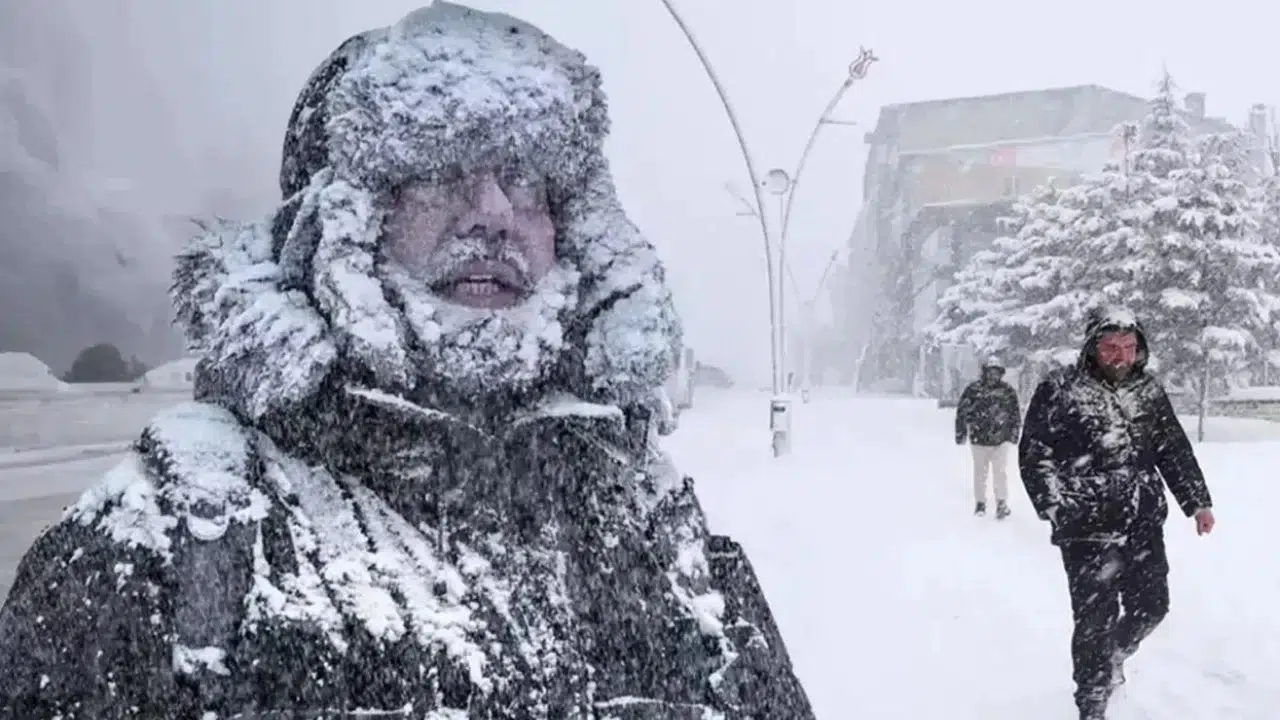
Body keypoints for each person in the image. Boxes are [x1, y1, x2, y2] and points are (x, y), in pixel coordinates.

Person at [0, 5, 815, 718]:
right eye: (437, 170)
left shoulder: (646, 514)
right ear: (337, 223)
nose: (493, 212)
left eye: (524, 177)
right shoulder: (176, 541)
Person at [1018, 306, 1215, 720]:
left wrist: (1197, 501)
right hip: (1086, 524)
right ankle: (1092, 701)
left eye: (1128, 347)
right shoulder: (1061, 388)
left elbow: (1172, 448)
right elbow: (1035, 453)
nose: (1120, 355)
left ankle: (1114, 654)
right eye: (1110, 347)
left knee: (1152, 606)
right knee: (1095, 618)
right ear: (1092, 347)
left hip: (1142, 518)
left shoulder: (1147, 390)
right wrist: (1054, 504)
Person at [955, 357, 1020, 519]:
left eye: (996, 373)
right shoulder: (973, 390)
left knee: (1000, 472)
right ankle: (980, 503)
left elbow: (1015, 414)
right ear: (984, 373)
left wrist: (1014, 433)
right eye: (990, 372)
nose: (993, 376)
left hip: (1001, 439)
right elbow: (962, 412)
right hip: (979, 439)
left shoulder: (1007, 391)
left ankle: (1001, 502)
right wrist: (961, 433)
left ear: (1001, 374)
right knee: (980, 472)